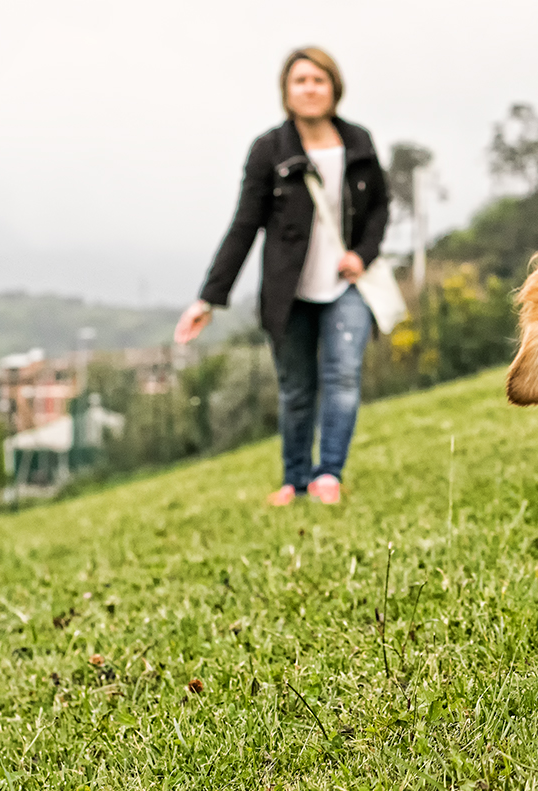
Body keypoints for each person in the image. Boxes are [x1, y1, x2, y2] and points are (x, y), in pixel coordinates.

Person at [175, 46, 389, 506]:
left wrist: (362, 254)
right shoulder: (269, 150)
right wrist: (208, 299)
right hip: (288, 294)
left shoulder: (359, 143)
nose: (310, 89)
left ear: (334, 87)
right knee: (296, 391)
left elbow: (379, 211)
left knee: (344, 378)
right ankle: (294, 480)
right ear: (286, 92)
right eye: (300, 81)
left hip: (345, 287)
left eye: (319, 80)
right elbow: (244, 225)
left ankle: (328, 474)